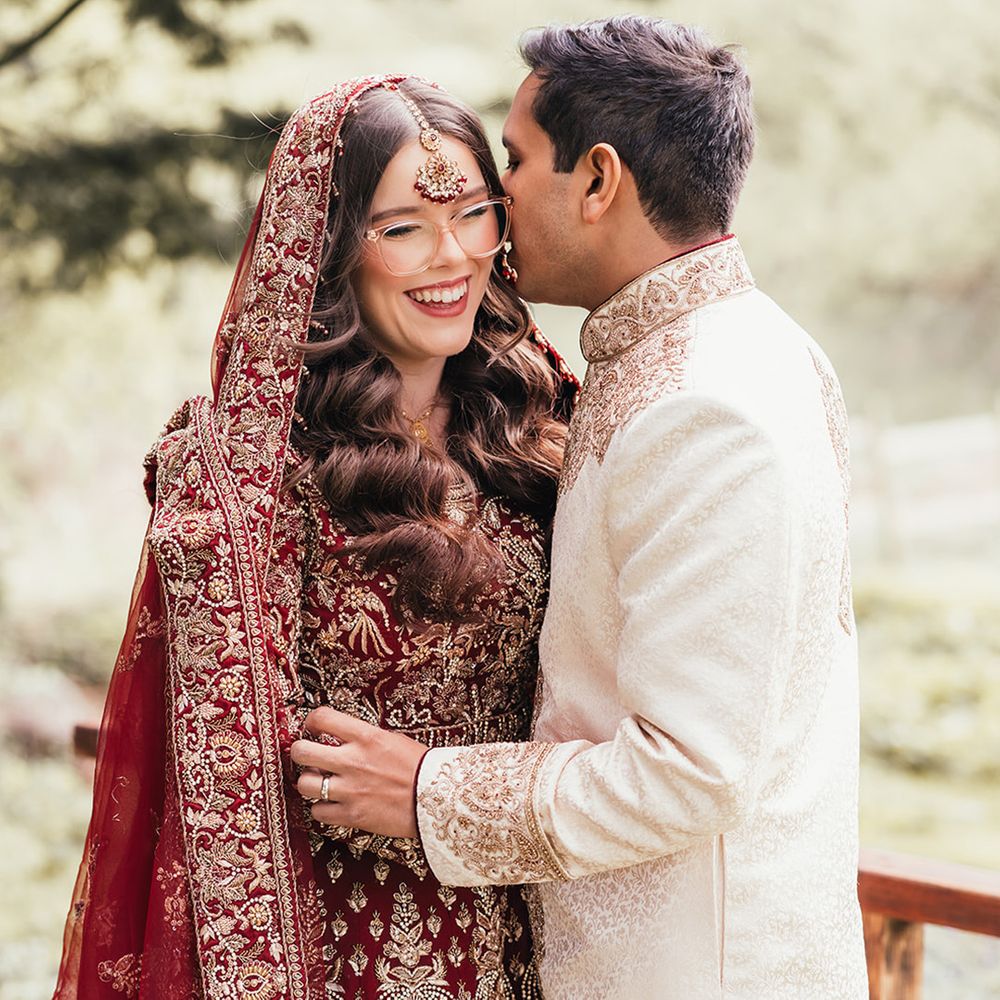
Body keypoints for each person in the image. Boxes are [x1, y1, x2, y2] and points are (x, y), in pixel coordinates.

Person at [291, 17, 870, 1000]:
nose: (495, 198)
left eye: (513, 162)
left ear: (597, 180)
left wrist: (428, 792)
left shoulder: (705, 408)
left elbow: (692, 771)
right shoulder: (711, 354)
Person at [53, 75, 577, 999]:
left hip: (544, 940)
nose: (451, 256)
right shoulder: (247, 478)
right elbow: (225, 790)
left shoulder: (544, 424)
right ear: (330, 249)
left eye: (473, 214)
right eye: (404, 227)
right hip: (332, 952)